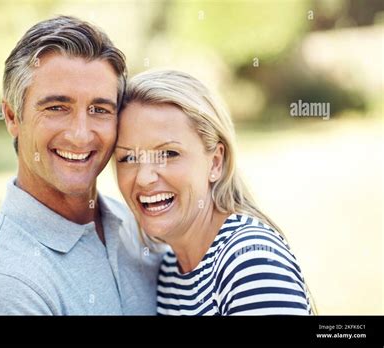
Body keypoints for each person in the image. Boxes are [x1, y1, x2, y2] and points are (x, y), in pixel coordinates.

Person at [0, 16, 162, 315]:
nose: (80, 135)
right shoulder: (3, 287)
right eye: (57, 108)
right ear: (12, 117)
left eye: (99, 109)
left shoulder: (137, 226)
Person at [115, 70, 314, 315]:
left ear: (215, 162)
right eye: (129, 157)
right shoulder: (169, 270)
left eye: (168, 154)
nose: (144, 178)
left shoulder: (250, 261)